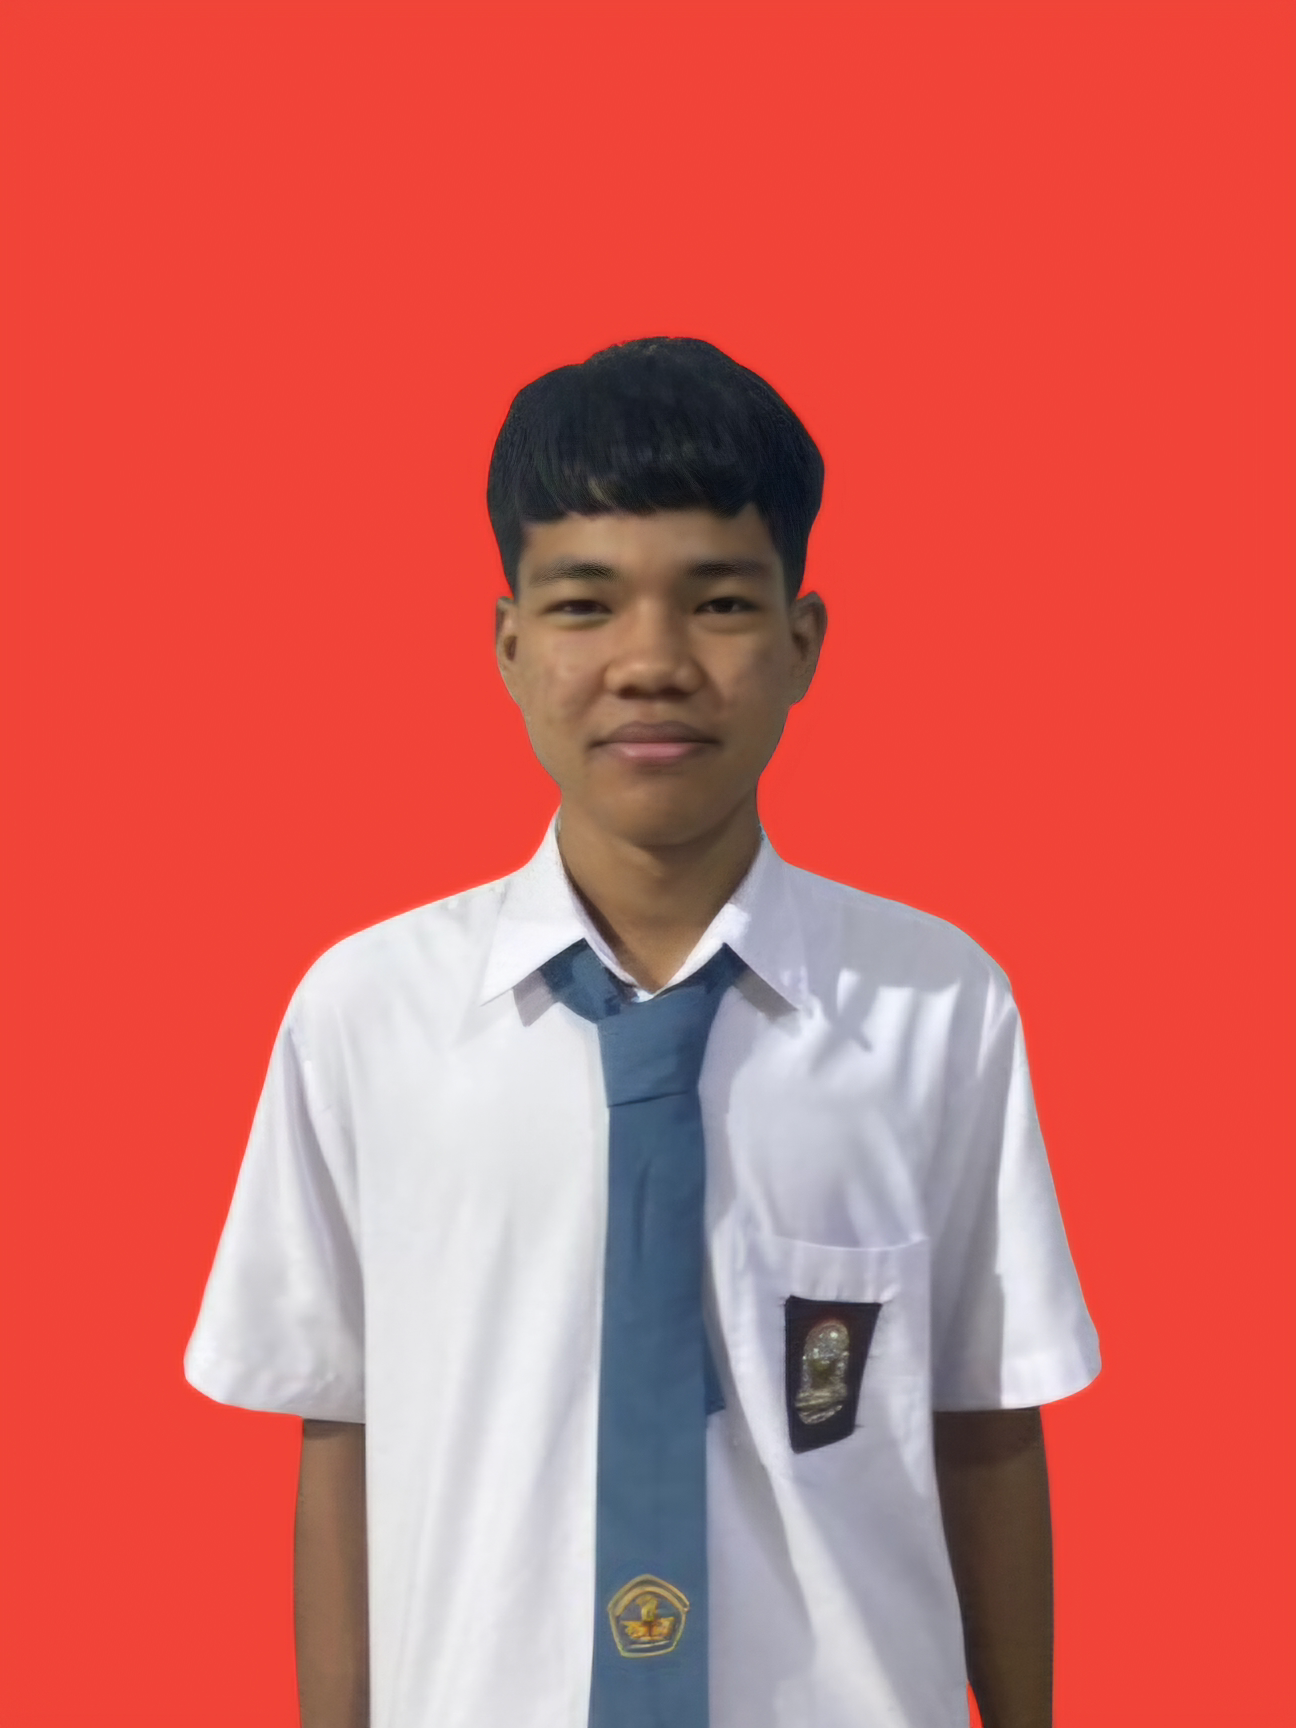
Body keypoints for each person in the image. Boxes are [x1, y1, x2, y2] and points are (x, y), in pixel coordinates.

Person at [185, 336, 1100, 1728]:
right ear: (509, 645)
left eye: (720, 602)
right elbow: (343, 1428)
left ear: (803, 642)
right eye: (585, 604)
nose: (652, 663)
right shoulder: (366, 1014)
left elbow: (983, 1420)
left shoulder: (935, 1004)